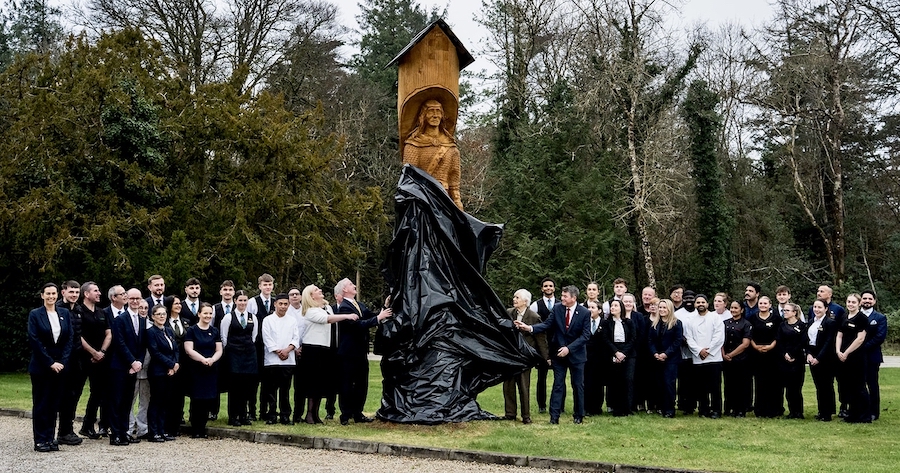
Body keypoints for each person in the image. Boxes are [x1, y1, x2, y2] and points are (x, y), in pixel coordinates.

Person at [515, 285, 591, 424]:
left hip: (576, 355)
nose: (561, 298)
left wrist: (569, 349)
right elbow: (547, 325)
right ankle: (554, 417)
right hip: (558, 354)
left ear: (573, 298)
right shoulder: (557, 308)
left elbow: (585, 335)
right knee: (558, 385)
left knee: (578, 385)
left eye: (565, 296)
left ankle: (578, 415)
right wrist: (530, 328)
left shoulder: (585, 312)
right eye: (561, 295)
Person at [334, 278, 392, 425]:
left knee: (362, 383)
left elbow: (370, 316)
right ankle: (346, 414)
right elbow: (357, 326)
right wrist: (379, 318)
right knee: (347, 383)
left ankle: (358, 412)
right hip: (348, 353)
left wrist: (383, 308)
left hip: (360, 352)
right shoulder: (344, 308)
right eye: (351, 285)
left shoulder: (359, 305)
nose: (354, 286)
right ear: (345, 290)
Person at [28, 283, 74, 452]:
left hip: (61, 367)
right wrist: (50, 362)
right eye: (48, 293)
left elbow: (69, 339)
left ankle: (50, 437)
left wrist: (62, 361)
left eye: (53, 293)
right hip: (42, 367)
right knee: (42, 404)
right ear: (42, 295)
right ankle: (40, 439)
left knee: (54, 404)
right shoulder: (35, 314)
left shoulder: (64, 313)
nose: (51, 296)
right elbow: (35, 340)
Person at [402, 99, 463, 210]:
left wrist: (457, 200)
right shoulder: (414, 144)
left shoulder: (450, 147)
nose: (435, 115)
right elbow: (409, 179)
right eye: (431, 111)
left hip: (444, 199)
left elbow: (454, 180)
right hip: (422, 200)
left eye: (438, 111)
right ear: (424, 115)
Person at [503, 289, 548, 424]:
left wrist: (545, 357)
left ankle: (526, 415)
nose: (514, 299)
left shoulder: (534, 317)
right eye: (514, 297)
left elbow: (540, 338)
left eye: (517, 297)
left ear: (525, 301)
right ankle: (510, 413)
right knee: (508, 385)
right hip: (511, 355)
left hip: (525, 357)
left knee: (523, 386)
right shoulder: (509, 313)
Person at [108, 288, 147, 446]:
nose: (135, 301)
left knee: (127, 402)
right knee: (116, 401)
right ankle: (115, 434)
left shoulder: (143, 320)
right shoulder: (120, 319)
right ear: (126, 299)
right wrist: (132, 362)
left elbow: (143, 345)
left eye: (138, 298)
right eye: (132, 298)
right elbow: (120, 343)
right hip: (120, 366)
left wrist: (139, 362)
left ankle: (124, 432)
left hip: (134, 367)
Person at [183, 303, 222, 438]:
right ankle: (195, 429)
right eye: (205, 313)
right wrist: (202, 359)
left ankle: (203, 428)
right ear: (199, 314)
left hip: (211, 368)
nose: (208, 316)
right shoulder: (192, 330)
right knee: (197, 399)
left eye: (210, 313)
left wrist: (212, 359)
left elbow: (219, 349)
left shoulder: (215, 331)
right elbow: (189, 349)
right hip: (196, 368)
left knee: (207, 399)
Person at [78, 281, 111, 440]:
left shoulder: (101, 312)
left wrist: (102, 352)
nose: (99, 293)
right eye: (96, 291)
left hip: (100, 358)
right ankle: (66, 429)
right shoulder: (79, 311)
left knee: (98, 393)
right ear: (86, 294)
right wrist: (92, 352)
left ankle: (88, 425)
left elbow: (109, 334)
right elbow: (78, 335)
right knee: (74, 392)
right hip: (83, 358)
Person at [220, 290, 258, 427]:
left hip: (248, 355)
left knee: (246, 387)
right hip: (234, 355)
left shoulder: (252, 317)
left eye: (245, 300)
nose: (242, 303)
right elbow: (224, 337)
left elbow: (254, 336)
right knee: (235, 387)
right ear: (235, 301)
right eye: (240, 300)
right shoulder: (228, 317)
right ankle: (233, 416)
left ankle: (243, 415)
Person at [683, 295, 724, 418]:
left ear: (707, 304)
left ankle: (716, 410)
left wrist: (709, 350)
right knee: (701, 387)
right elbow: (688, 338)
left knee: (715, 386)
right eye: (698, 302)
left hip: (714, 357)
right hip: (698, 358)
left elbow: (719, 336)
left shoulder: (715, 317)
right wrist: (699, 350)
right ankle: (703, 410)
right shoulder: (690, 320)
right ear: (695, 304)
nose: (700, 304)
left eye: (703, 302)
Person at [261, 294, 300, 425]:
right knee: (271, 390)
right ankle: (272, 415)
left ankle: (285, 415)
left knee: (285, 390)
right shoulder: (267, 320)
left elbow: (296, 338)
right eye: (280, 304)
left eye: (285, 304)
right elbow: (266, 338)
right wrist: (278, 351)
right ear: (275, 304)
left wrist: (287, 350)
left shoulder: (292, 321)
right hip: (272, 360)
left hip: (288, 360)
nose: (283, 306)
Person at [55, 280, 84, 446]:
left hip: (77, 359)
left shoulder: (78, 310)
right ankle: (59, 432)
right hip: (63, 359)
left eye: (76, 292)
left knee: (74, 395)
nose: (74, 295)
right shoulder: (58, 309)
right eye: (71, 292)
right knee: (62, 396)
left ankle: (67, 430)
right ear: (63, 292)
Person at [835, 293, 871, 423]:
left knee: (859, 387)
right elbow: (839, 335)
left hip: (856, 357)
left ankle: (864, 415)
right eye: (848, 301)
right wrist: (838, 351)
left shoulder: (862, 318)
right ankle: (852, 413)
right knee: (848, 386)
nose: (850, 304)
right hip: (843, 357)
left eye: (853, 302)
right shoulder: (844, 316)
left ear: (859, 303)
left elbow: (860, 339)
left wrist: (847, 352)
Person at [145, 304, 179, 442]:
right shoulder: (151, 332)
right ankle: (153, 432)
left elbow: (175, 349)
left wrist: (175, 364)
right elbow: (155, 352)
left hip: (170, 371)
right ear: (153, 316)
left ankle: (162, 429)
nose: (162, 317)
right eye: (158, 314)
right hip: (158, 371)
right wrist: (170, 364)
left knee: (166, 401)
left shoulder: (169, 331)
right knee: (156, 401)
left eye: (164, 314)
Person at [749, 296, 783, 418]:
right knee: (760, 382)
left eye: (765, 303)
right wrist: (756, 346)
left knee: (773, 382)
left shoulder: (777, 319)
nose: (762, 305)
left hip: (773, 355)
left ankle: (774, 410)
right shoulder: (752, 318)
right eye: (760, 303)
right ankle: (760, 410)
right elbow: (749, 335)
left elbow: (779, 335)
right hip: (757, 355)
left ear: (770, 305)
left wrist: (770, 346)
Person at [648, 299, 683, 418]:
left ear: (669, 309)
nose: (662, 310)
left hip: (671, 359)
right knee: (659, 383)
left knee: (669, 384)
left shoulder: (676, 323)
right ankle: (661, 408)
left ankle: (669, 409)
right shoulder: (655, 323)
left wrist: (666, 354)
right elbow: (650, 341)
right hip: (657, 358)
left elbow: (677, 341)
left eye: (664, 308)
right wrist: (655, 353)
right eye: (660, 307)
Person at [248, 273, 276, 422]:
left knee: (268, 381)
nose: (268, 287)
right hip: (257, 345)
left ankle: (264, 411)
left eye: (270, 284)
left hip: (271, 347)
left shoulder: (276, 302)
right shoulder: (253, 302)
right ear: (259, 286)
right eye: (265, 284)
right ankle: (251, 411)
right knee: (254, 381)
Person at [528, 277, 557, 414]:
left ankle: (559, 404)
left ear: (554, 288)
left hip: (557, 343)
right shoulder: (535, 305)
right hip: (542, 344)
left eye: (550, 286)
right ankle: (542, 405)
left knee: (559, 376)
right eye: (545, 286)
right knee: (542, 377)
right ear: (542, 289)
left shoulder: (560, 304)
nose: (548, 288)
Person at [807, 298, 838, 421]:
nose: (817, 309)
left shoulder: (830, 323)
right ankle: (821, 411)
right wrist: (809, 354)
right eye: (815, 307)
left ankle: (827, 412)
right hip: (812, 356)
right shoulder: (811, 322)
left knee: (826, 385)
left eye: (820, 307)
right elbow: (807, 340)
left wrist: (819, 357)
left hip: (825, 357)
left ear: (826, 309)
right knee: (818, 385)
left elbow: (829, 341)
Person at [603, 300, 636, 416]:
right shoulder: (606, 323)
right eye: (611, 306)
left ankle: (628, 408)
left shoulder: (629, 322)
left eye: (616, 305)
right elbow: (606, 339)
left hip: (628, 353)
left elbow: (633, 338)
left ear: (621, 308)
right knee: (615, 381)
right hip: (613, 352)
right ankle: (616, 408)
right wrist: (616, 353)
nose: (613, 308)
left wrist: (623, 353)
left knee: (628, 379)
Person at [164, 296, 190, 437]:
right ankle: (166, 426)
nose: (179, 306)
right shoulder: (164, 322)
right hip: (169, 363)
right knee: (169, 395)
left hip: (184, 364)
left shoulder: (186, 322)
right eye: (176, 303)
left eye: (180, 303)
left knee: (179, 395)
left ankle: (175, 425)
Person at [776, 302, 807, 419]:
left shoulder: (802, 326)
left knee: (796, 388)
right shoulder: (782, 326)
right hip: (784, 360)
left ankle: (798, 412)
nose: (785, 312)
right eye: (784, 311)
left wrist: (792, 354)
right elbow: (779, 341)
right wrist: (784, 353)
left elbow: (802, 342)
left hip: (797, 360)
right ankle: (791, 412)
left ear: (794, 312)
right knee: (788, 388)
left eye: (787, 310)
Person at [722, 301, 752, 417]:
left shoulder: (746, 324)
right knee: (728, 385)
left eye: (736, 308)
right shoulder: (725, 323)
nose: (733, 310)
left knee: (741, 385)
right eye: (732, 308)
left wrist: (731, 355)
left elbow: (745, 344)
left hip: (741, 359)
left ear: (742, 310)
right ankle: (728, 408)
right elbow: (721, 341)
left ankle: (740, 409)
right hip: (726, 359)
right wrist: (724, 354)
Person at [860, 290, 886, 421]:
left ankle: (874, 411)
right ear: (860, 300)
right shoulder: (855, 316)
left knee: (872, 384)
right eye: (864, 298)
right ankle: (860, 410)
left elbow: (880, 337)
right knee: (858, 385)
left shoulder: (880, 318)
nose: (867, 301)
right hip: (856, 357)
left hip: (871, 356)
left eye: (870, 299)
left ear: (874, 301)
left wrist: (862, 347)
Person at [128, 299, 152, 440]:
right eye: (141, 307)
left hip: (147, 368)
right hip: (133, 367)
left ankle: (143, 427)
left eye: (146, 307)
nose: (143, 310)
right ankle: (130, 427)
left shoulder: (150, 325)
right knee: (130, 399)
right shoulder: (131, 322)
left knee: (145, 400)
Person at [622, 293, 648, 413]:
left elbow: (642, 335)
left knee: (633, 379)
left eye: (630, 301)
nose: (627, 304)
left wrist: (632, 349)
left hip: (635, 353)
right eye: (625, 301)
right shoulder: (617, 316)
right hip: (619, 353)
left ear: (633, 303)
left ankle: (633, 405)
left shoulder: (639, 316)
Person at [674, 290, 698, 415]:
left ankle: (693, 404)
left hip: (697, 353)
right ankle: (683, 404)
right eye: (686, 298)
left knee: (694, 380)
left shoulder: (699, 313)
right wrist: (684, 341)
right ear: (683, 300)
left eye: (691, 298)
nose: (689, 301)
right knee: (683, 380)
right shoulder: (677, 314)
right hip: (682, 351)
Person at [583, 300, 606, 417]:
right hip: (585, 357)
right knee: (586, 382)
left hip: (600, 358)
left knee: (598, 383)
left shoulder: (604, 323)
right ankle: (586, 407)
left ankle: (597, 407)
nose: (590, 309)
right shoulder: (583, 322)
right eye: (588, 307)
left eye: (593, 307)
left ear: (600, 310)